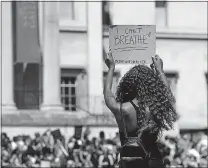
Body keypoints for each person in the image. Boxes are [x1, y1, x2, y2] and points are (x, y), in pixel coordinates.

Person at [103, 50, 179, 168]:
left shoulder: (122, 109)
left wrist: (111, 68)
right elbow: (168, 97)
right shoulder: (155, 107)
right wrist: (160, 71)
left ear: (127, 85)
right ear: (151, 84)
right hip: (153, 160)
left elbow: (108, 94)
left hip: (129, 160)